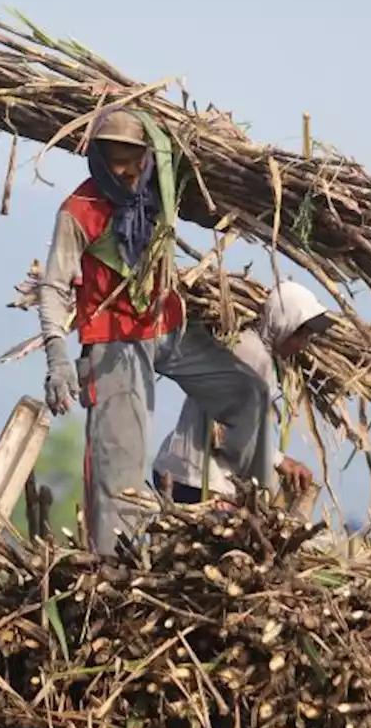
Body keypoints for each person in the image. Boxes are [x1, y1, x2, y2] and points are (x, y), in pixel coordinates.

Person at [36, 107, 273, 553]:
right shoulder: (79, 210)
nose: (124, 171)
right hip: (114, 342)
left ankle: (248, 512)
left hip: (167, 327)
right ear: (98, 159)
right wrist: (57, 357)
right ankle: (113, 572)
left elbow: (194, 159)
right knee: (119, 473)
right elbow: (53, 285)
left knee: (248, 394)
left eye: (132, 158)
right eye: (114, 160)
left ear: (148, 155)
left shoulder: (159, 189)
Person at [152, 280, 333, 505]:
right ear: (283, 324)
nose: (303, 344)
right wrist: (276, 462)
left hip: (185, 471)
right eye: (300, 335)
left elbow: (245, 430)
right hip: (197, 478)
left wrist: (278, 459)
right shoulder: (252, 355)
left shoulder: (258, 352)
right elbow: (224, 432)